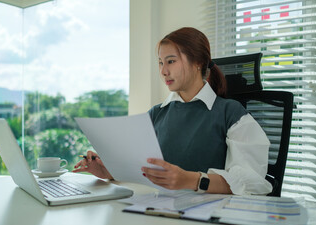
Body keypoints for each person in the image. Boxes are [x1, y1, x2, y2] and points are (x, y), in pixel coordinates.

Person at [73, 27, 272, 195]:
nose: (163, 71)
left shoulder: (231, 113)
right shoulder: (156, 114)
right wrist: (109, 171)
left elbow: (251, 181)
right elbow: (142, 170)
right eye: (160, 62)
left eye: (171, 61)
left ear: (198, 63)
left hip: (206, 219)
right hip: (158, 211)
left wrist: (192, 180)